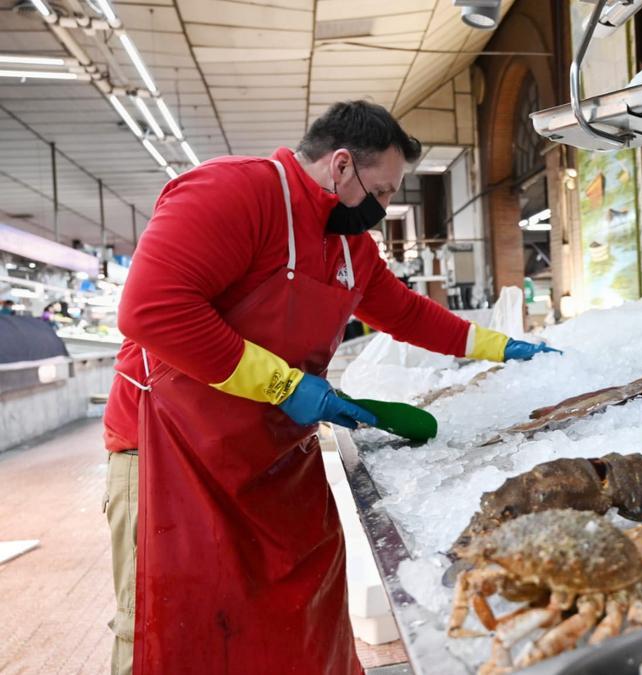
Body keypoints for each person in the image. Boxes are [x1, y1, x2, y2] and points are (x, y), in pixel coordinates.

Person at [102, 100, 559, 675]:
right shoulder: (232, 193)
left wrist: (501, 346)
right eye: (385, 191)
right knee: (172, 624)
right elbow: (151, 311)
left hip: (269, 460)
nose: (386, 206)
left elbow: (408, 314)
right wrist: (285, 386)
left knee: (294, 619)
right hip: (169, 454)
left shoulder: (348, 246)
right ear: (342, 166)